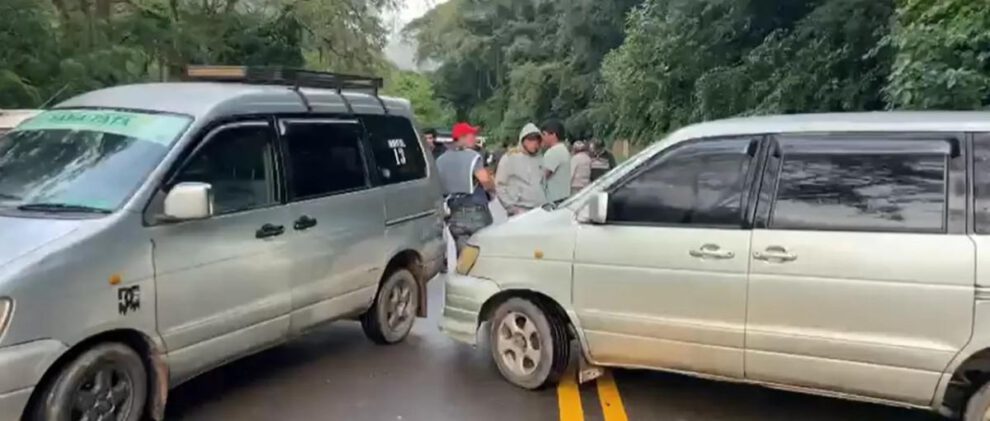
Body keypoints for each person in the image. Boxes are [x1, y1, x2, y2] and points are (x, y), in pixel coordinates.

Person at [436, 122, 494, 254]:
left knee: (463, 256)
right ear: (461, 137)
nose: (474, 138)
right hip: (476, 213)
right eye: (471, 135)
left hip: (454, 214)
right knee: (482, 254)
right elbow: (485, 180)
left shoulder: (440, 160)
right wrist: (492, 188)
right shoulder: (472, 156)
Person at [495, 123, 548, 216]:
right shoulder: (510, 158)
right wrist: (511, 207)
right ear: (523, 140)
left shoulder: (540, 159)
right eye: (530, 139)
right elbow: (500, 185)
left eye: (537, 139)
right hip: (520, 209)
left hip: (540, 209)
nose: (534, 143)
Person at [540, 119, 571, 203]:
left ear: (553, 135)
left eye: (544, 134)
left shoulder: (553, 152)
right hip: (564, 197)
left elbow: (542, 176)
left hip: (554, 200)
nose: (542, 138)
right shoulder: (563, 149)